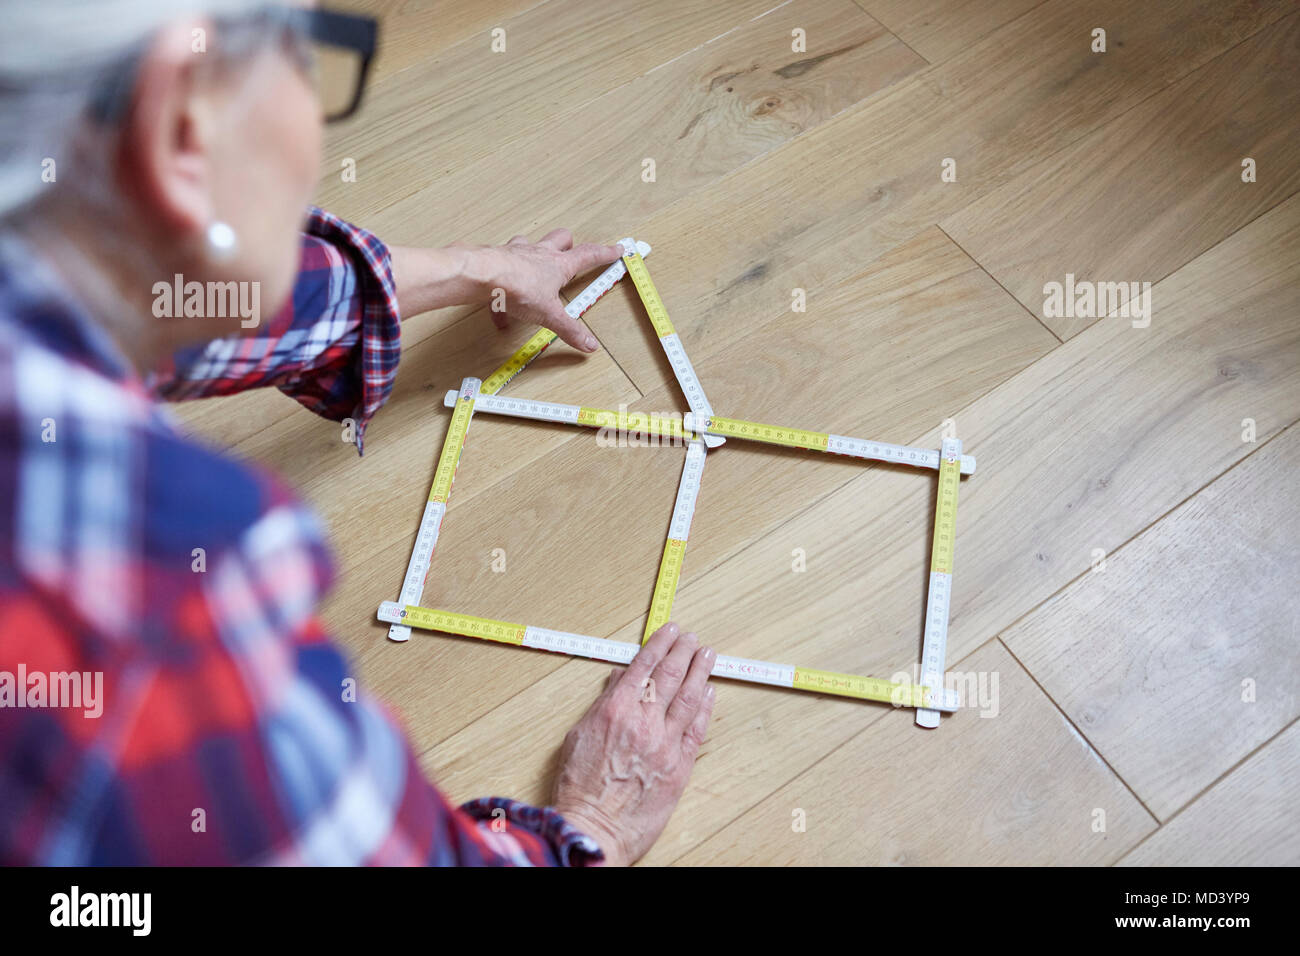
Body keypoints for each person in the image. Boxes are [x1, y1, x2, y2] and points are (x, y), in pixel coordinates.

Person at [0, 0, 716, 866]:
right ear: (182, 128)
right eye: (306, 54)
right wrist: (592, 828)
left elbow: (160, 286)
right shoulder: (148, 617)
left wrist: (469, 269)